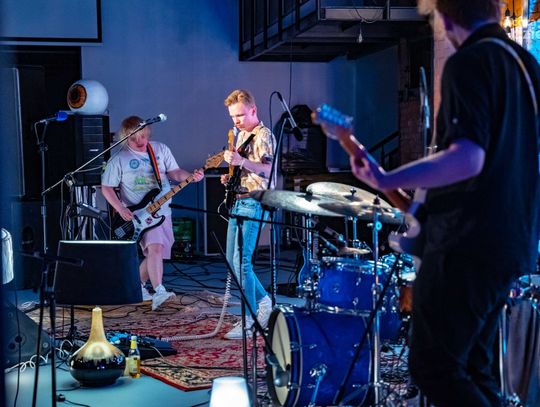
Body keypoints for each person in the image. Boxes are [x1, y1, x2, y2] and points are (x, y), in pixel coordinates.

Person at [345, 1, 540, 405]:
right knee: (474, 367)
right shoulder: (525, 64)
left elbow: (468, 158)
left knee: (435, 366)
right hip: (514, 238)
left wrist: (387, 179)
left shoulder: (468, 62)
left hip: (469, 242)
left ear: (446, 18)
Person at [101, 116, 204, 311]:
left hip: (163, 211)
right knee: (155, 248)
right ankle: (159, 291)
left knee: (158, 253)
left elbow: (175, 173)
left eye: (143, 137)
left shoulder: (160, 149)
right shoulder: (119, 159)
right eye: (134, 139)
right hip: (139, 215)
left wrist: (191, 176)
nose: (140, 142)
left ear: (148, 133)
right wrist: (120, 208)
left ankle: (136, 286)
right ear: (125, 138)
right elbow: (106, 187)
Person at [220, 89, 276, 340]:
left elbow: (268, 170)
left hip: (254, 202)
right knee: (233, 262)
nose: (237, 120)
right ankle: (264, 302)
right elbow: (246, 171)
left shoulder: (264, 135)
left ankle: (249, 318)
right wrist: (231, 177)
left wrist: (241, 162)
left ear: (253, 110)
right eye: (233, 116)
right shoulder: (241, 134)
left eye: (241, 115)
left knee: (242, 261)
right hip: (239, 200)